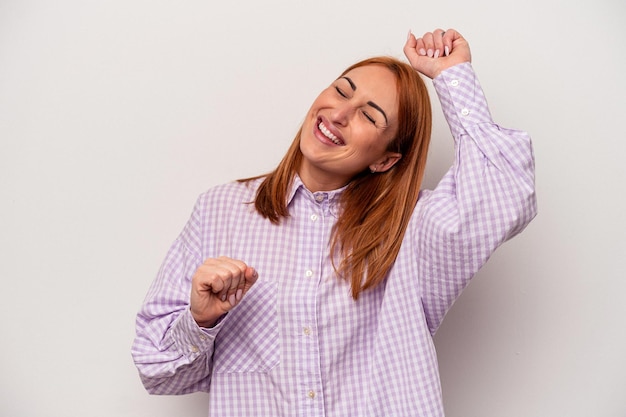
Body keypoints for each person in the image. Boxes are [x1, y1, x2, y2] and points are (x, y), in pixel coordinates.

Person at [132, 28, 537, 416]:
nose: (339, 114)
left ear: (385, 159)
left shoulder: (412, 228)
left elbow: (504, 191)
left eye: (369, 116)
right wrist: (201, 319)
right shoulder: (220, 211)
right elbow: (157, 372)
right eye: (342, 90)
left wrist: (453, 78)